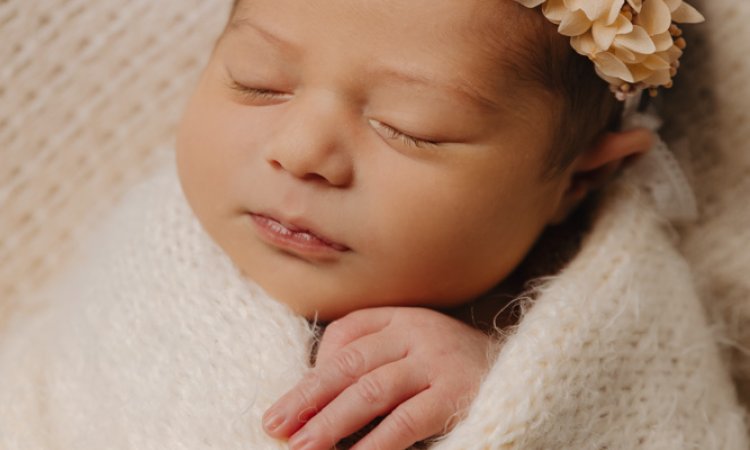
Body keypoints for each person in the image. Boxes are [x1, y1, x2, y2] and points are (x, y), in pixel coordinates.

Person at [2, 0, 747, 449]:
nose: (300, 153)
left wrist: (502, 384)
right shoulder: (152, 276)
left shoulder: (616, 318)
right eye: (257, 83)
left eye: (411, 128)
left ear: (578, 180)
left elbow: (655, 415)